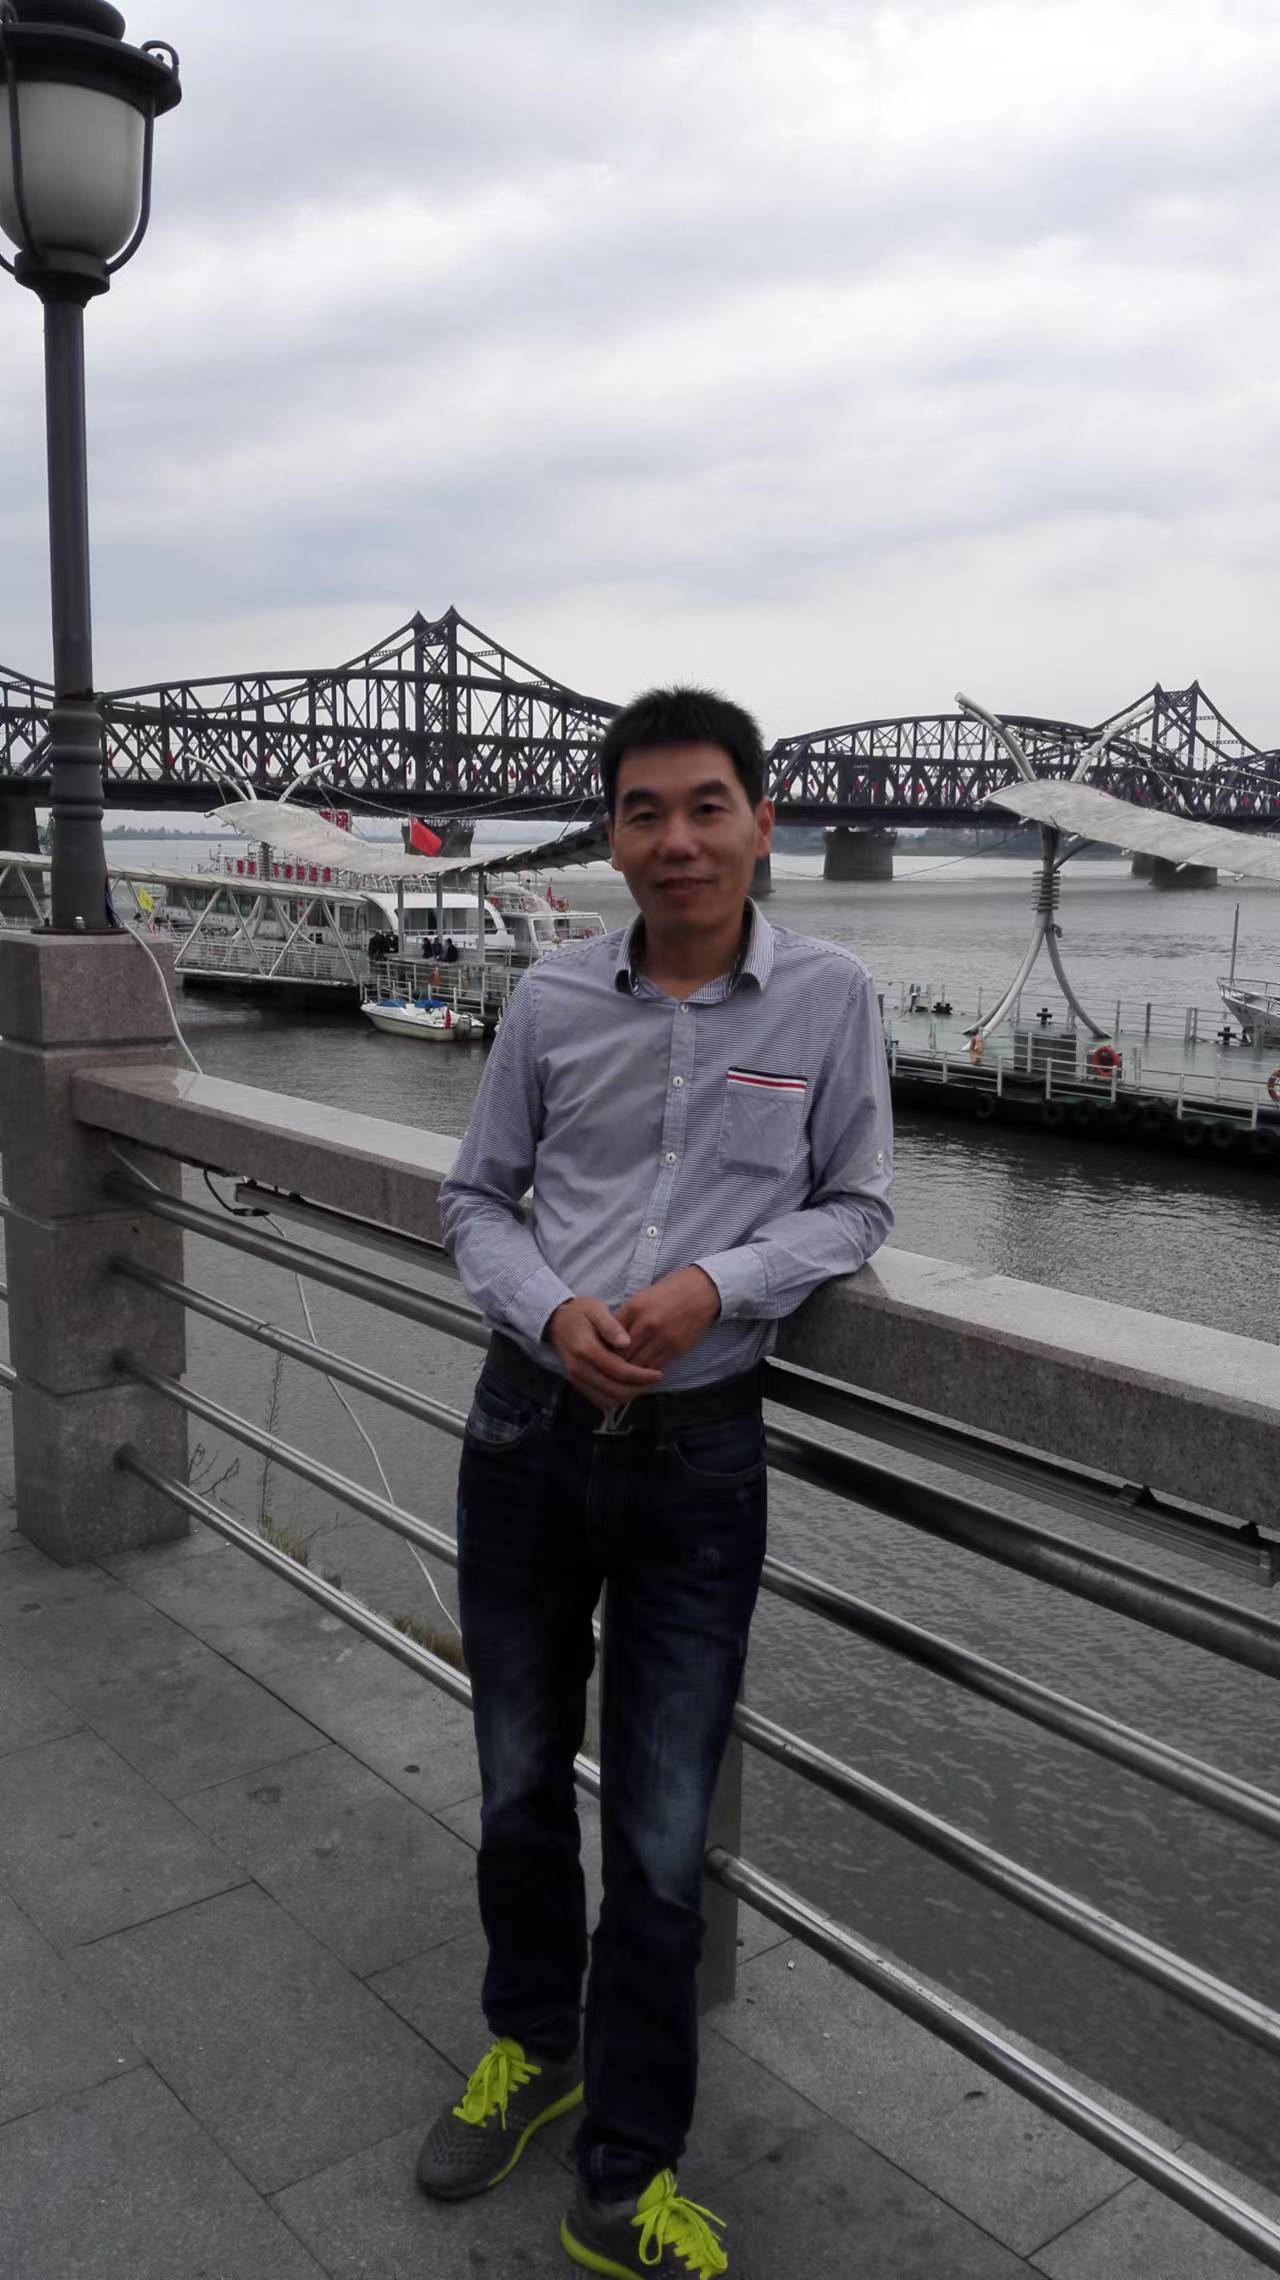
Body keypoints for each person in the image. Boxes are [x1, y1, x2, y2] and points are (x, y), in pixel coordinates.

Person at [419, 687, 893, 2277]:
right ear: (611, 835)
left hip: (700, 1458)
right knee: (513, 1781)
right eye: (644, 812)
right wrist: (554, 1313)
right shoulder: (551, 997)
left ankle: (627, 2173)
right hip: (524, 1435)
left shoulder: (830, 999)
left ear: (763, 822)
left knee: (665, 1833)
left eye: (706, 807)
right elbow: (475, 1198)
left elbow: (857, 1207)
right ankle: (532, 2044)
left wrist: (716, 1284)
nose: (677, 840)